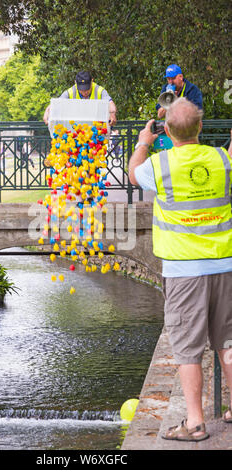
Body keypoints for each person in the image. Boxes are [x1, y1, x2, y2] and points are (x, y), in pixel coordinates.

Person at [129, 97, 232, 442]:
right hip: (225, 264)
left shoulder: (159, 165)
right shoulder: (222, 159)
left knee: (188, 349)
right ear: (201, 127)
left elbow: (133, 172)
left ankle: (195, 423)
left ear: (168, 131)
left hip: (184, 271)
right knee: (229, 341)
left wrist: (144, 140)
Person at [43, 71, 117, 126]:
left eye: (87, 89)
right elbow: (57, 103)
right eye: (81, 89)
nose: (84, 92)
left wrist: (112, 113)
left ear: (92, 81)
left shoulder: (100, 90)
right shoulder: (70, 92)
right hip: (76, 129)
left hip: (96, 130)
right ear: (75, 83)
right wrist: (47, 111)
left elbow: (110, 102)